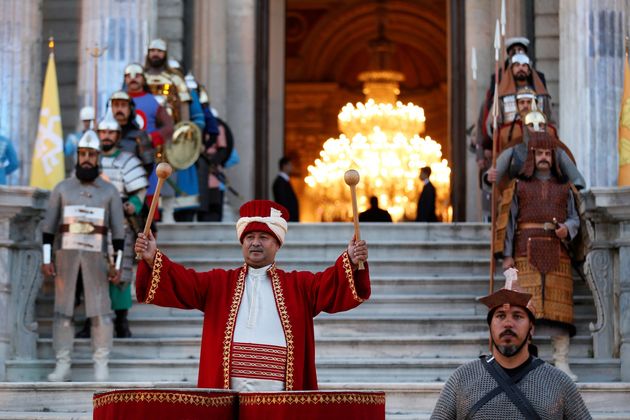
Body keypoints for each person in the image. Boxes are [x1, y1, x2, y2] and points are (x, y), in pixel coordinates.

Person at [134, 199, 370, 390]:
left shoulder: (299, 285)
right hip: (227, 394)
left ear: (277, 244)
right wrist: (153, 256)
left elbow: (331, 285)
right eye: (249, 237)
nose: (255, 243)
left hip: (280, 395)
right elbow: (181, 281)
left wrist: (349, 257)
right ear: (241, 242)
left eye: (264, 238)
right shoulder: (219, 283)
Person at [430, 269, 591, 419]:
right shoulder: (463, 378)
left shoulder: (558, 382)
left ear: (531, 328)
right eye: (500, 316)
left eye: (517, 316)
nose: (508, 323)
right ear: (490, 327)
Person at [41, 130, 125, 382]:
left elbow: (119, 234)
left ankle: (101, 361)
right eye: (82, 154)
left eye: (91, 154)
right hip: (66, 256)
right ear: (77, 157)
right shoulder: (62, 188)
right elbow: (48, 228)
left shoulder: (109, 191)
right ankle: (62, 362)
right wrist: (46, 259)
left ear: (98, 157)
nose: (86, 159)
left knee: (100, 310)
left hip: (96, 257)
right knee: (62, 310)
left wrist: (117, 264)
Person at [502, 133, 581, 380]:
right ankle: (528, 361)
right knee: (527, 308)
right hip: (525, 253)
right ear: (532, 156)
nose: (544, 158)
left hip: (558, 252)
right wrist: (506, 255)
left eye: (548, 153)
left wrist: (567, 228)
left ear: (554, 156)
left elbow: (575, 217)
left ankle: (561, 361)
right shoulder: (518, 186)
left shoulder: (565, 188)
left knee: (561, 309)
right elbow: (508, 223)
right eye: (539, 153)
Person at [97, 111, 149, 338]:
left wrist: (133, 205)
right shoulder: (89, 159)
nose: (106, 136)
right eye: (103, 132)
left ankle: (121, 320)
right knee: (92, 272)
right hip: (93, 226)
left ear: (118, 135)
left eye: (110, 132)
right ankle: (93, 319)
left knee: (122, 271)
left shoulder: (128, 160)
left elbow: (139, 191)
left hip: (120, 224)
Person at [64, 106, 95, 170]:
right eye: (85, 121)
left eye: (89, 121)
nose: (87, 123)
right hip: (79, 170)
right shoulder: (74, 138)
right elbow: (67, 151)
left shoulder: (98, 138)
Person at [272, 156, 299, 222]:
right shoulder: (280, 182)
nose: (292, 167)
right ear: (284, 166)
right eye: (290, 165)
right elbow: (283, 202)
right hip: (287, 220)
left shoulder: (284, 181)